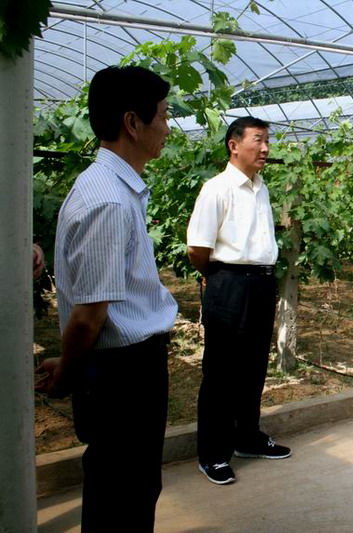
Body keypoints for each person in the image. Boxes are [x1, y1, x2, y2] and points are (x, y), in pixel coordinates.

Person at [35, 66, 178, 532]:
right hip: (124, 374)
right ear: (132, 123)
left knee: (123, 488)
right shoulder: (109, 201)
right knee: (125, 495)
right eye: (163, 115)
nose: (168, 127)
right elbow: (88, 316)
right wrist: (70, 371)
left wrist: (70, 363)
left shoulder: (110, 188)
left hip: (120, 369)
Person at [187, 116, 290, 485]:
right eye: (258, 140)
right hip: (229, 282)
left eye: (268, 141)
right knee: (221, 372)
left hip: (261, 283)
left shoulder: (261, 188)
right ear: (234, 145)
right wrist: (219, 277)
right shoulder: (216, 189)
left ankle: (247, 438)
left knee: (253, 366)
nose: (265, 149)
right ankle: (213, 454)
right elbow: (197, 248)